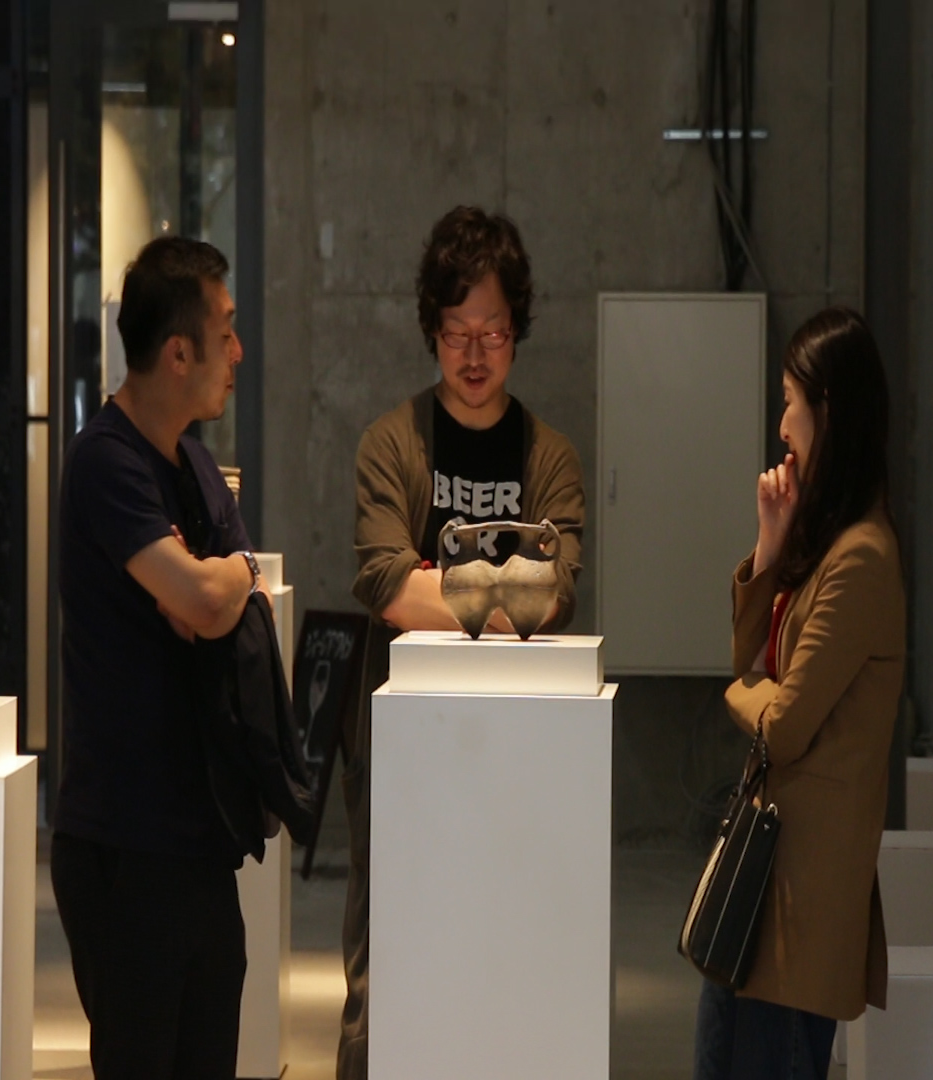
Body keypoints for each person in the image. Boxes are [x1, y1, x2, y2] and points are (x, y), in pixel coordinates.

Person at [341, 206, 586, 1079]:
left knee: (500, 944)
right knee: (387, 945)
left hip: (516, 747)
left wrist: (435, 580)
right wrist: (506, 585)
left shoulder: (548, 454)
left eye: (494, 331)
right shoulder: (392, 444)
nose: (475, 354)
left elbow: (554, 595)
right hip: (401, 743)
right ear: (431, 330)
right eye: (457, 332)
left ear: (517, 329)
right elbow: (385, 587)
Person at [51, 235, 263, 1080]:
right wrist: (223, 583)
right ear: (179, 352)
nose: (237, 352)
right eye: (226, 330)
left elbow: (223, 601)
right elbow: (209, 602)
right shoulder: (105, 461)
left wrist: (224, 581)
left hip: (199, 840)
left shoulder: (197, 465)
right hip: (124, 843)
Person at [693, 307, 906, 1080]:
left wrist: (743, 693)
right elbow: (751, 657)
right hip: (763, 893)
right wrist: (771, 544)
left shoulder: (861, 559)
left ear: (829, 412)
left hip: (797, 911)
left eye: (791, 402)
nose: (781, 424)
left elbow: (781, 727)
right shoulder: (827, 546)